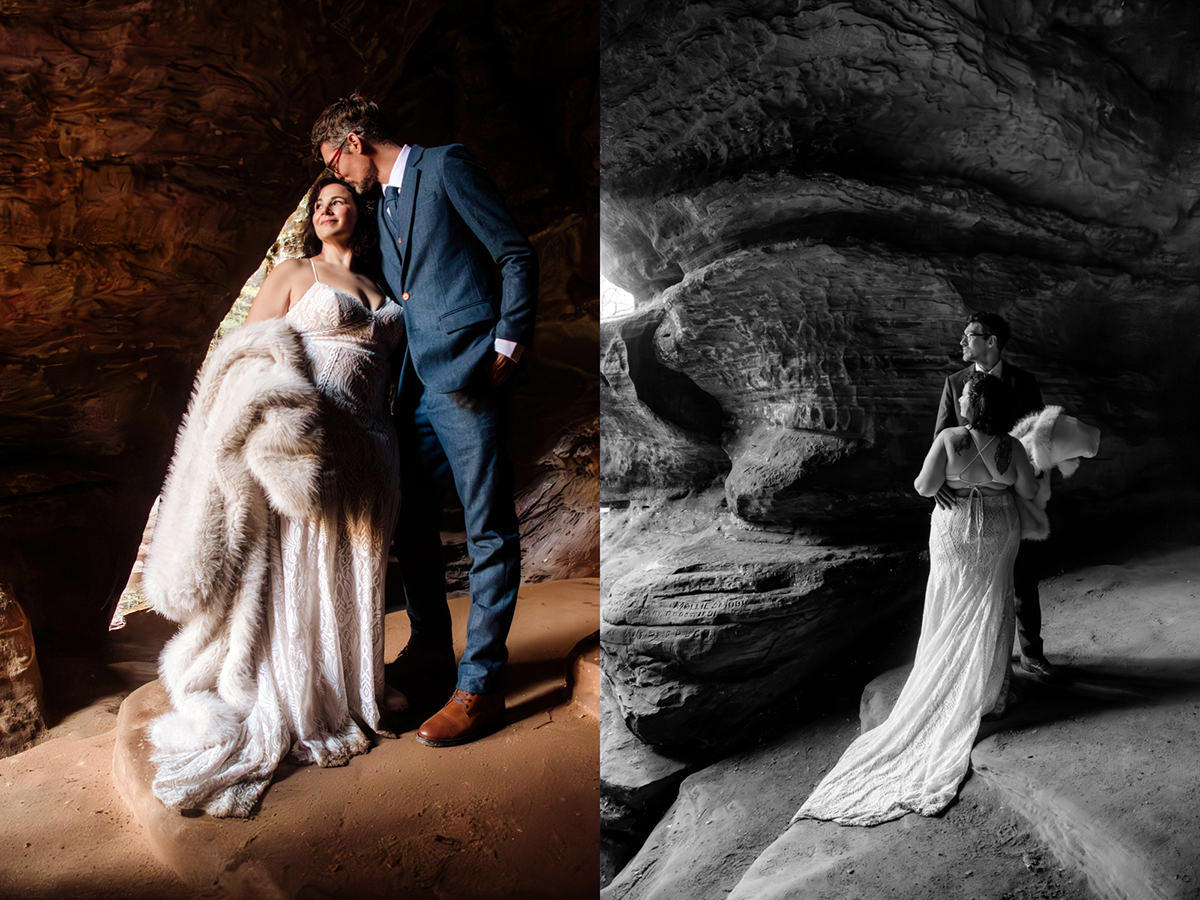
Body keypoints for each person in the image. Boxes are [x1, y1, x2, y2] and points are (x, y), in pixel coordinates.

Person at [146, 175, 405, 817]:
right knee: (300, 572)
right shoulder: (296, 273)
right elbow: (241, 356)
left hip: (375, 450)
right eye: (317, 203)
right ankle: (294, 696)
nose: (325, 210)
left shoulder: (384, 289)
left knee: (355, 572)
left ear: (360, 213)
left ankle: (350, 692)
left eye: (338, 200)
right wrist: (280, 427)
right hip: (312, 451)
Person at [310, 95, 537, 747]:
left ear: (352, 141)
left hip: (470, 373)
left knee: (488, 527)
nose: (334, 174)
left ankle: (481, 685)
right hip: (413, 387)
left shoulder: (446, 167)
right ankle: (432, 650)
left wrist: (508, 342)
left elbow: (514, 254)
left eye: (330, 159)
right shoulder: (378, 203)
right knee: (408, 520)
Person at [793, 372, 1037, 826]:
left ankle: (946, 678)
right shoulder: (1014, 448)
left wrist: (951, 482)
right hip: (999, 529)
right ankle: (989, 691)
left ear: (976, 402)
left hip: (956, 526)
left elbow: (924, 487)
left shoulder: (950, 439)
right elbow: (1025, 491)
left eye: (966, 394)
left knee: (951, 604)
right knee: (989, 604)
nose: (960, 397)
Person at [934, 312, 1054, 679]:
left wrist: (1031, 484)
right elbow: (941, 434)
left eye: (968, 336)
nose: (961, 343)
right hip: (971, 503)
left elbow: (1037, 436)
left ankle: (1031, 653)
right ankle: (975, 663)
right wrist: (938, 481)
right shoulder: (955, 384)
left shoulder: (1024, 382)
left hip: (1016, 493)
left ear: (992, 341)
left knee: (1023, 574)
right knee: (971, 581)